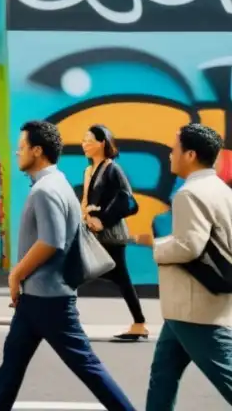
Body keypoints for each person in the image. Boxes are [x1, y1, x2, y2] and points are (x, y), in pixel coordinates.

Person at [0, 121, 135, 411]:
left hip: (48, 298)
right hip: (37, 297)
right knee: (12, 362)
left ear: (37, 151)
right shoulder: (56, 182)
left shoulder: (46, 190)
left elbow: (50, 242)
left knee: (87, 365)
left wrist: (16, 275)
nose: (17, 153)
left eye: (22, 147)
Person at [142, 123, 232, 410]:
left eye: (174, 148)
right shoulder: (221, 189)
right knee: (163, 375)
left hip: (194, 308)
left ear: (190, 154)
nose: (170, 154)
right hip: (186, 307)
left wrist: (155, 245)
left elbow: (188, 246)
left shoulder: (189, 194)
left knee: (227, 376)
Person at [80, 125, 146, 341]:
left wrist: (103, 219)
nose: (84, 144)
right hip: (93, 231)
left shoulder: (112, 169)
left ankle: (139, 324)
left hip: (112, 233)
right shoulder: (89, 170)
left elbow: (127, 200)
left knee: (86, 272)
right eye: (84, 140)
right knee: (112, 276)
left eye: (89, 140)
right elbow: (86, 201)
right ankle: (139, 324)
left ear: (102, 143)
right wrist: (86, 218)